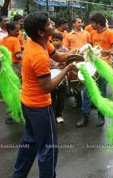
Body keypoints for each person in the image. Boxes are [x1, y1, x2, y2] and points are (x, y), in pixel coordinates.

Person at [13, 11, 75, 178]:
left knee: (29, 142)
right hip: (39, 107)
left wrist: (74, 54)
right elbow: (48, 87)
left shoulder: (38, 41)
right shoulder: (38, 55)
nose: (53, 24)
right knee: (49, 148)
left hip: (27, 103)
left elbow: (60, 56)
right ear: (41, 31)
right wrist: (67, 69)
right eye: (49, 24)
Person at [76, 13, 113, 128]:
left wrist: (101, 52)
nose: (91, 25)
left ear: (98, 23)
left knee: (102, 92)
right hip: (92, 66)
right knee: (86, 91)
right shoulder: (92, 33)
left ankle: (101, 116)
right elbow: (90, 47)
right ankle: (85, 116)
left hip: (104, 67)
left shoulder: (110, 33)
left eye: (92, 23)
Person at [50, 32, 69, 123]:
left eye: (57, 40)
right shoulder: (48, 49)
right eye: (53, 40)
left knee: (61, 98)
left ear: (61, 41)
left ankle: (59, 114)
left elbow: (68, 62)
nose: (55, 42)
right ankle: (52, 115)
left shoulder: (65, 50)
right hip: (51, 77)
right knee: (52, 97)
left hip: (62, 76)